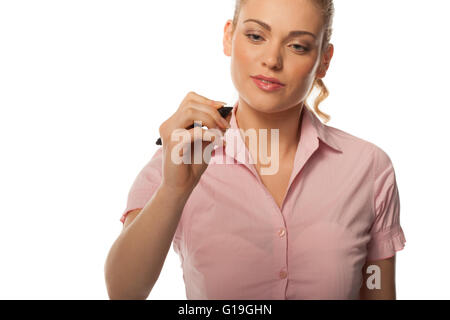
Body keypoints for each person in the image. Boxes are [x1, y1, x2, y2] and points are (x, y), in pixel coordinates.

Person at [104, 0, 406, 300]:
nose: (272, 60)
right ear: (228, 37)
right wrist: (173, 191)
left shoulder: (369, 168)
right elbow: (123, 292)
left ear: (324, 60)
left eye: (298, 46)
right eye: (256, 36)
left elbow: (377, 287)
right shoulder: (178, 160)